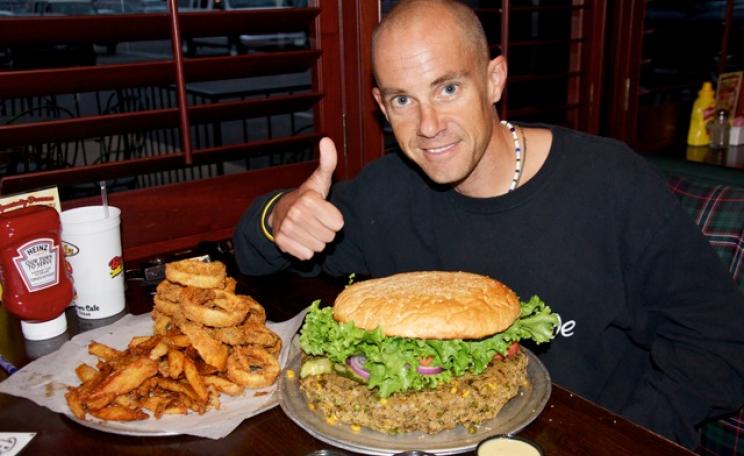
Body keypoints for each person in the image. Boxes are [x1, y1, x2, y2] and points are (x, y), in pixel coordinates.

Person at [233, 0, 744, 448]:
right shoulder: (383, 192)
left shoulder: (612, 184)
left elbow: (720, 345)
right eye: (403, 100)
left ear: (494, 78)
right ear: (380, 106)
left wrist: (616, 439)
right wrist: (280, 215)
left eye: (448, 87)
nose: (428, 126)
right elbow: (256, 255)